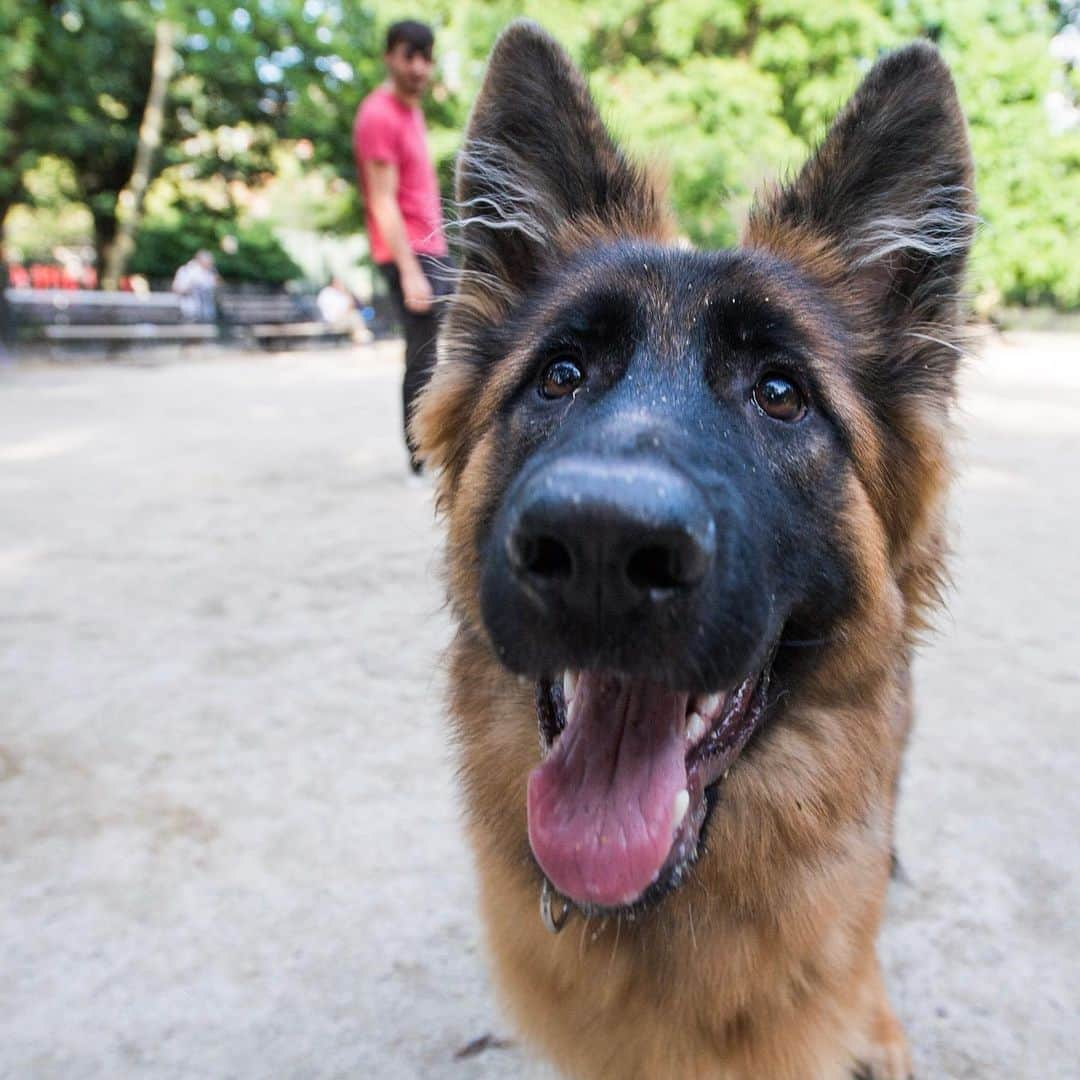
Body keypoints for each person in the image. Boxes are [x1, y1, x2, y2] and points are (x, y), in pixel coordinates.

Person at [354, 19, 453, 475]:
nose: (418, 67)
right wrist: (410, 269)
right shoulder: (378, 115)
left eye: (425, 57)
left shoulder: (413, 112)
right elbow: (382, 201)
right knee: (422, 352)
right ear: (389, 57)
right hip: (408, 252)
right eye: (409, 56)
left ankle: (436, 445)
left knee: (445, 349)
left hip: (433, 248)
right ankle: (418, 460)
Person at [172, 250, 219, 322]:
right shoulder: (186, 270)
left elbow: (215, 290)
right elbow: (177, 289)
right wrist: (192, 285)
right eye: (208, 263)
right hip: (190, 312)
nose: (210, 265)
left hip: (208, 314)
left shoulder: (210, 272)